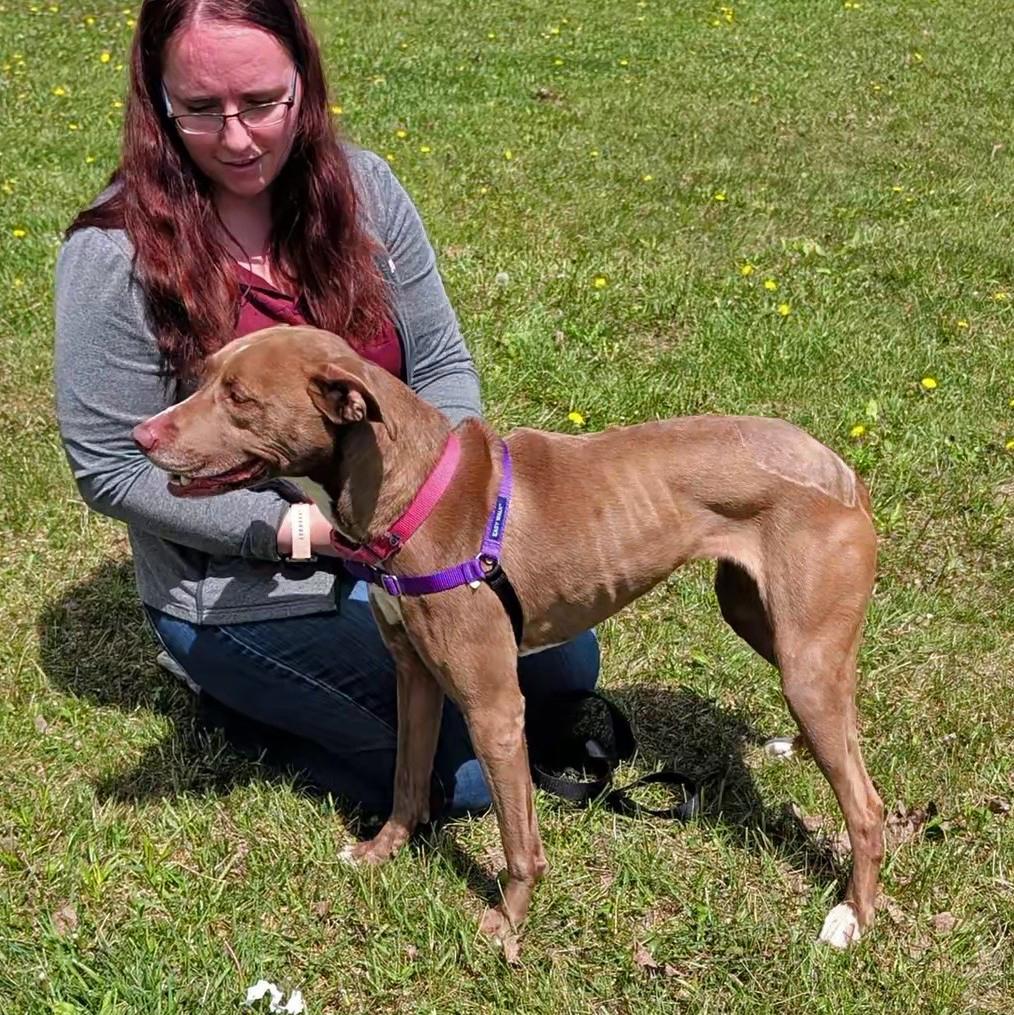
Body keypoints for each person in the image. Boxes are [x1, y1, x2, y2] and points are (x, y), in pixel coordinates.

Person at [53, 0, 598, 819]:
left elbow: (441, 366)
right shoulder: (112, 252)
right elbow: (110, 467)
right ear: (155, 99)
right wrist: (298, 531)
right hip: (239, 587)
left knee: (566, 662)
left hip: (403, 541)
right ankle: (231, 697)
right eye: (200, 109)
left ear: (303, 82)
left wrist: (429, 509)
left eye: (262, 102)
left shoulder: (364, 189)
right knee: (471, 777)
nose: (237, 138)